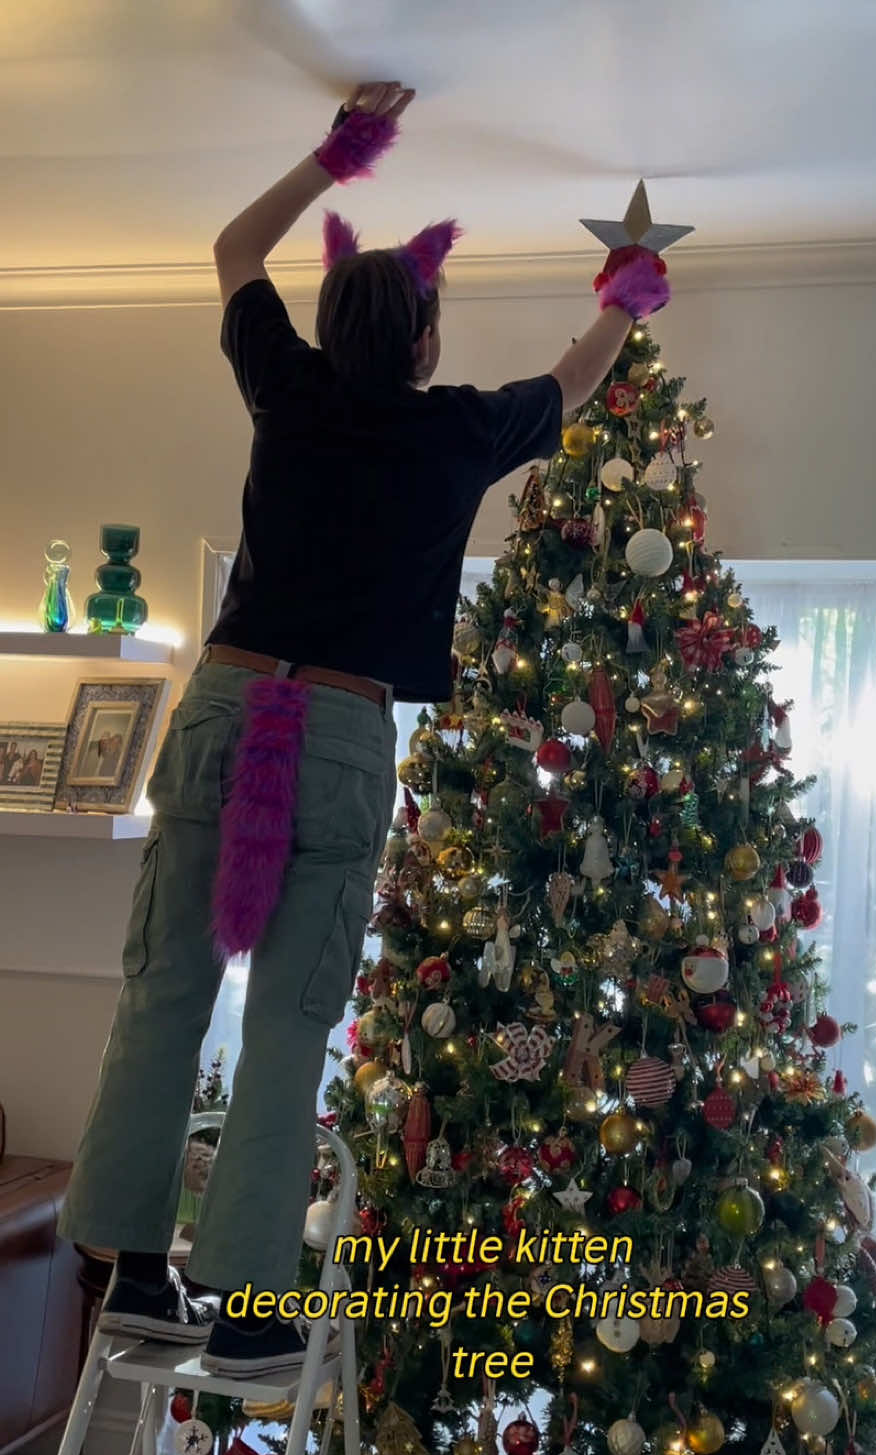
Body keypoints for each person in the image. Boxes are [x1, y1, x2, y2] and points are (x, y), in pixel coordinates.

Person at [58, 81, 671, 1374]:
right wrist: (625, 285)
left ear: (333, 322)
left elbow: (232, 250)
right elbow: (581, 370)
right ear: (425, 336)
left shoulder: (286, 388)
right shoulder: (455, 430)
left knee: (162, 988)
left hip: (223, 704)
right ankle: (251, 1309)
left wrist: (332, 158)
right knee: (286, 1018)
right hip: (334, 734)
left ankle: (124, 1264)